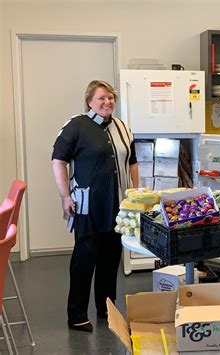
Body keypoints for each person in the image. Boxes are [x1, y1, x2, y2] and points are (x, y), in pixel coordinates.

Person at [52, 80, 138, 332]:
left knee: (111, 261)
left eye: (111, 98)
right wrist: (65, 196)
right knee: (84, 260)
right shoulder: (76, 126)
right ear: (90, 101)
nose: (107, 102)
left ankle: (105, 308)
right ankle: (76, 314)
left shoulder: (123, 128)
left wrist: (136, 193)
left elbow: (132, 162)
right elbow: (58, 160)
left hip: (117, 206)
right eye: (101, 98)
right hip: (87, 206)